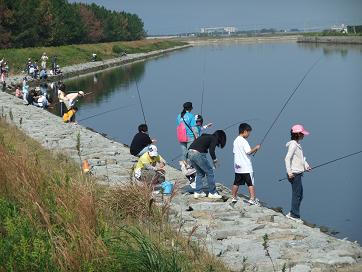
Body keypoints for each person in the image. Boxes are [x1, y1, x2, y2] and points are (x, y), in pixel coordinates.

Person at [187, 130, 226, 199]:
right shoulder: (213, 138)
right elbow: (211, 150)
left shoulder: (205, 136)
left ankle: (198, 192)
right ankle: (212, 193)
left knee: (200, 173)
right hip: (198, 154)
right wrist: (215, 160)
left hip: (190, 153)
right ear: (220, 137)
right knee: (210, 172)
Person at [284, 124, 311, 223]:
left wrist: (306, 165)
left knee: (300, 195)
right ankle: (294, 215)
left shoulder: (297, 144)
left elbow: (300, 159)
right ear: (298, 134)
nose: (303, 135)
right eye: (302, 134)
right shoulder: (293, 145)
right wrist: (289, 172)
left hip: (298, 173)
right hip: (294, 174)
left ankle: (292, 212)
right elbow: (287, 158)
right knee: (297, 195)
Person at [231, 123, 261, 206]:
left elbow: (234, 152)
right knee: (250, 183)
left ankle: (233, 197)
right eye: (248, 132)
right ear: (245, 131)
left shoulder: (235, 140)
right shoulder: (244, 141)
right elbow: (248, 151)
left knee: (236, 182)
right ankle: (252, 199)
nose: (249, 134)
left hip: (237, 166)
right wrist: (256, 147)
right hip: (246, 167)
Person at [176, 102, 197, 166]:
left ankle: (183, 165)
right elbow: (194, 128)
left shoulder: (179, 116)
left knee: (184, 152)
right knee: (190, 152)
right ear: (191, 108)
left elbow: (178, 126)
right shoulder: (191, 116)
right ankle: (189, 165)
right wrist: (197, 137)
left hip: (181, 136)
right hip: (189, 136)